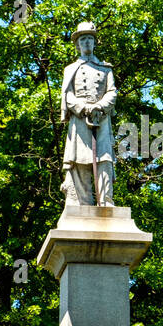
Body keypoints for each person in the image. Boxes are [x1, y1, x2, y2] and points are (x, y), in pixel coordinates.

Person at [59, 21, 116, 206]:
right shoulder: (70, 69)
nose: (86, 42)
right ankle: (82, 203)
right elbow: (67, 95)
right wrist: (83, 108)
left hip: (101, 119)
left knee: (104, 159)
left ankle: (106, 200)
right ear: (77, 44)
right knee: (80, 160)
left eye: (89, 39)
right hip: (79, 119)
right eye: (82, 39)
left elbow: (112, 92)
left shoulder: (106, 69)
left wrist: (99, 107)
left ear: (94, 43)